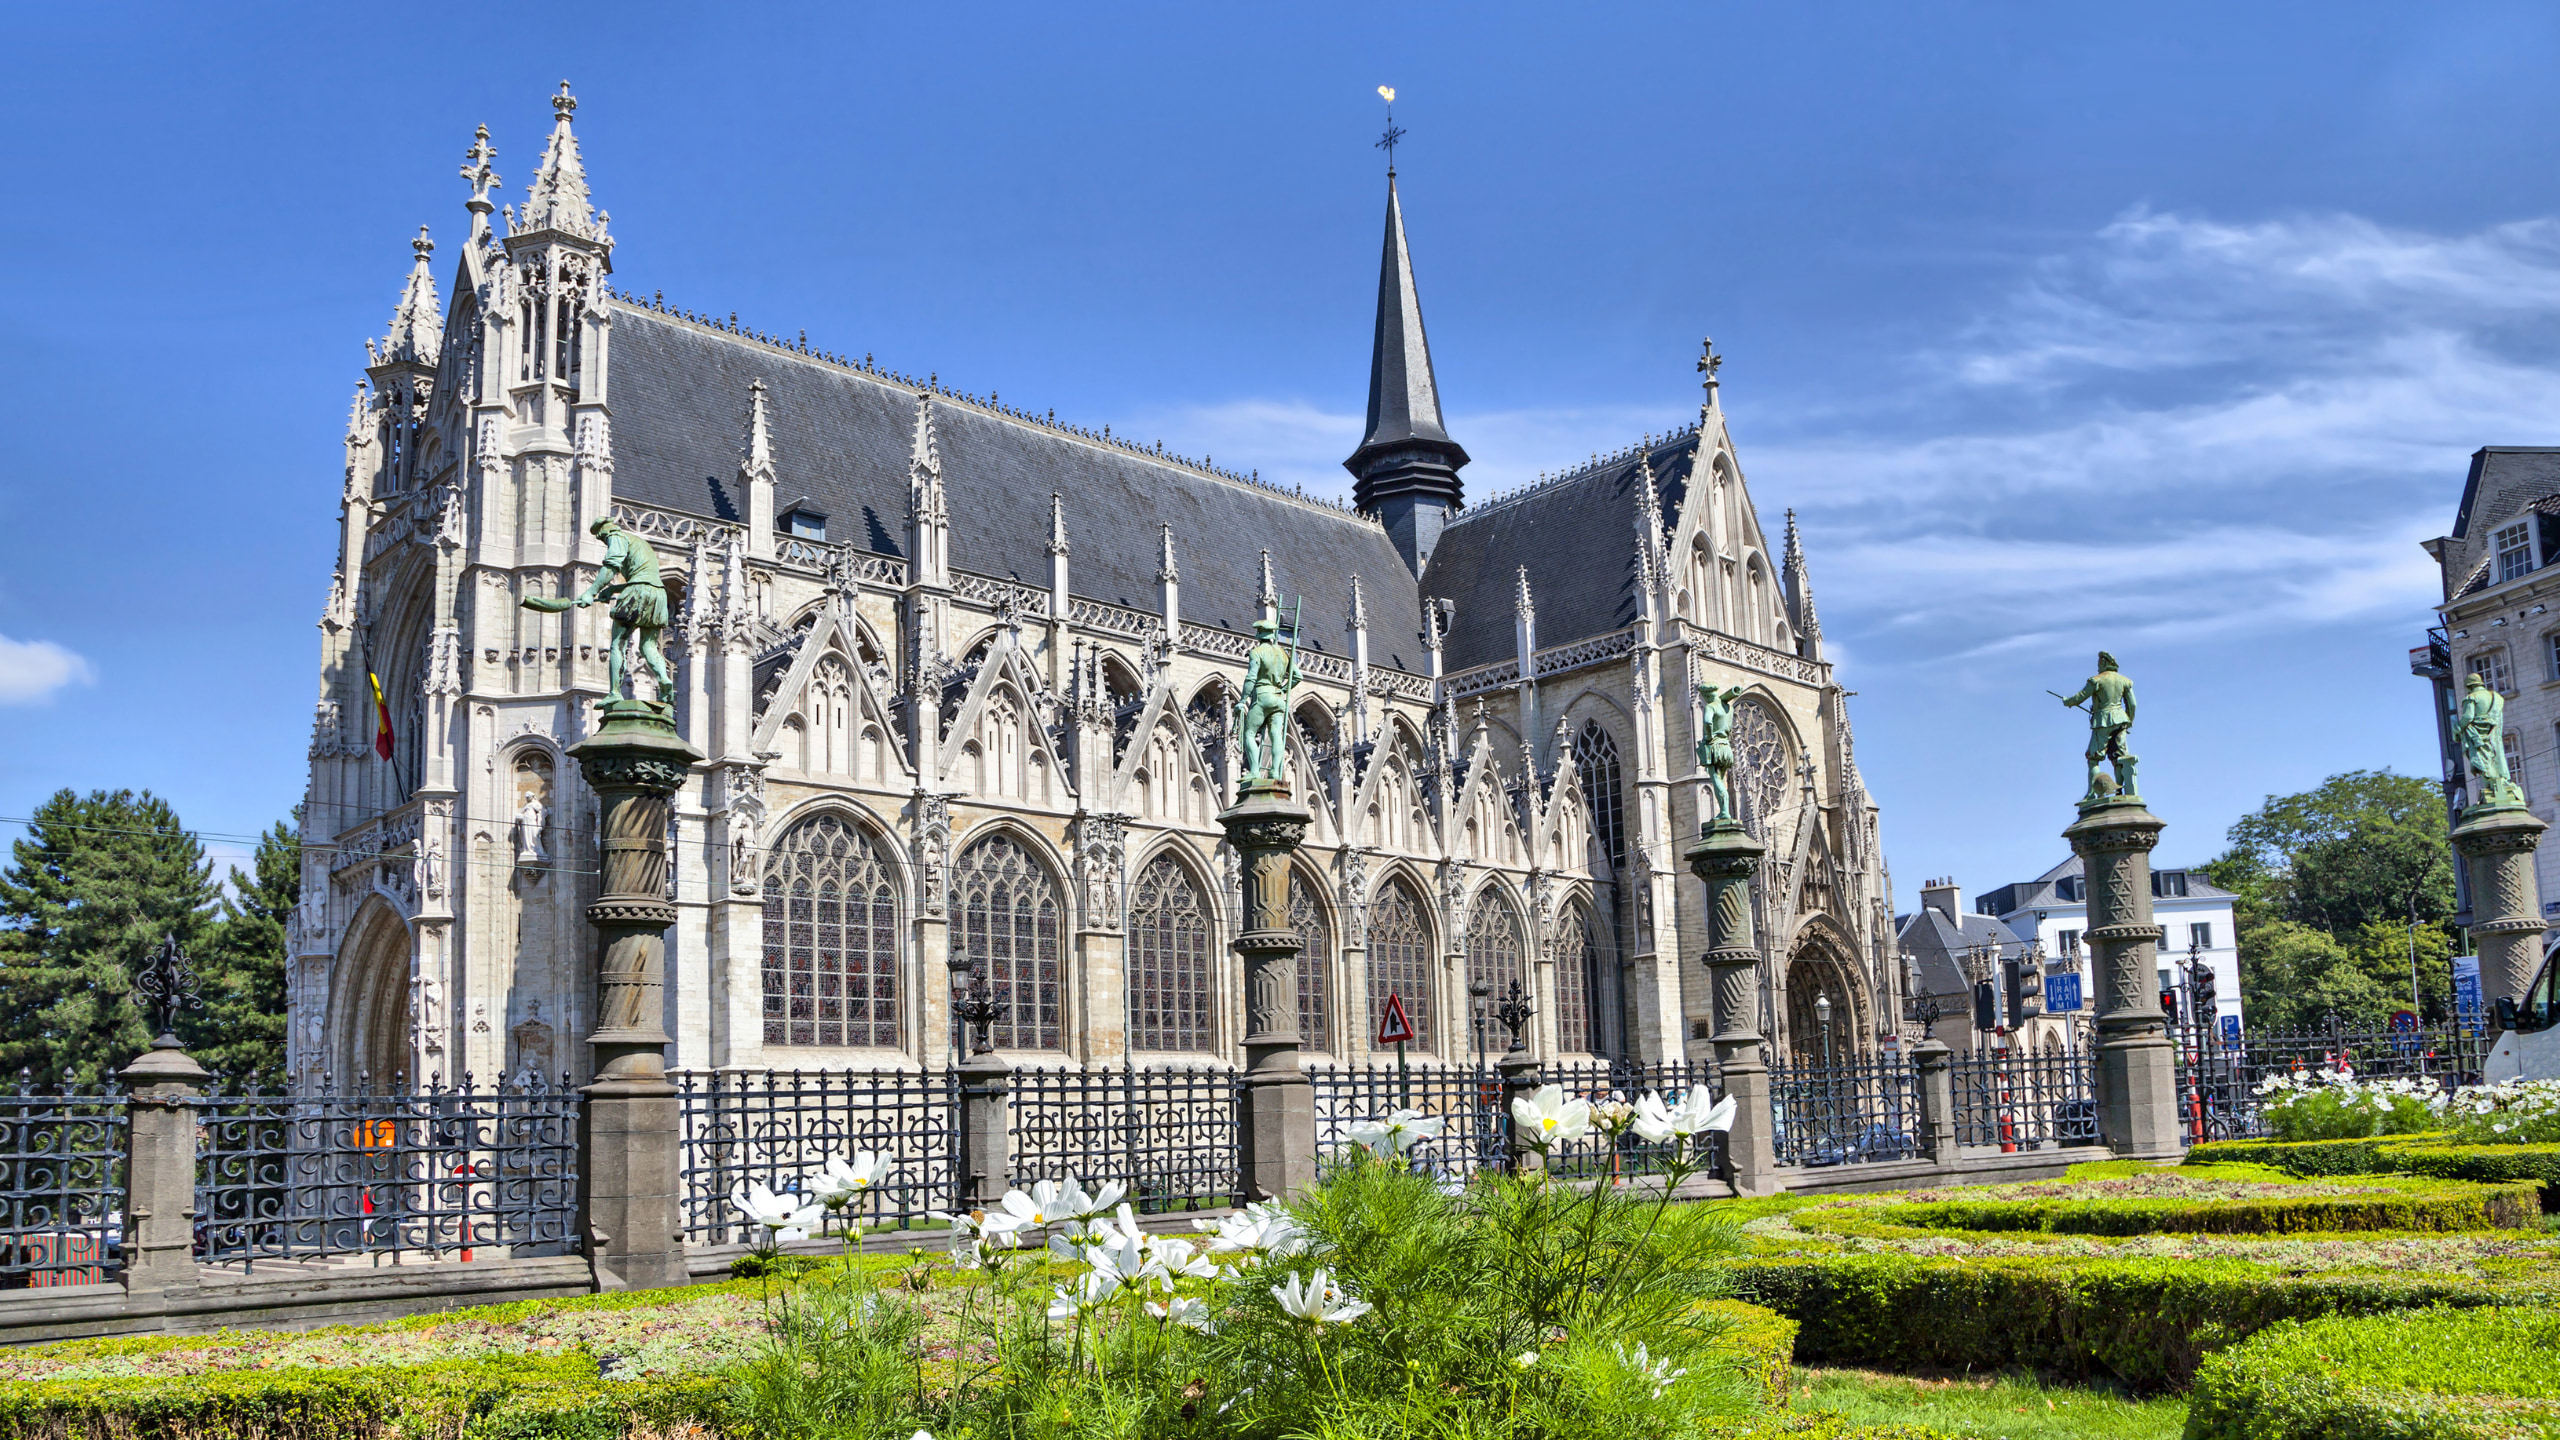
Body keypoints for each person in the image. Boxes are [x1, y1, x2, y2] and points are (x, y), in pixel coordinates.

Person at [573, 517, 672, 703]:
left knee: (618, 644)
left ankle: (614, 693)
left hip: (637, 591)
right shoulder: (640, 542)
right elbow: (643, 575)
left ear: (605, 532)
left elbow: (611, 567)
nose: (604, 542)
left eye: (602, 539)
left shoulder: (616, 537)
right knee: (648, 645)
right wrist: (611, 589)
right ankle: (664, 679)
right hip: (658, 594)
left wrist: (590, 592)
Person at [2061, 652, 2138, 801]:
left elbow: (2080, 697)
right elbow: (2132, 705)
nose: (2097, 666)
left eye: (2099, 663)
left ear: (2103, 663)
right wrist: (2129, 722)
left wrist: (2067, 701)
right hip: (2121, 719)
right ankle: (2119, 792)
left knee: (2093, 757)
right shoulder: (2125, 681)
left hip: (2103, 721)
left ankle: (2091, 793)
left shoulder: (2097, 680)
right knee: (2119, 758)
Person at [1237, 617, 1299, 785]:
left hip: (1262, 696)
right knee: (1276, 736)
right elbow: (1298, 677)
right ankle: (1275, 772)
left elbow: (1251, 678)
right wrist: (1283, 689)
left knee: (1249, 733)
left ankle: (1255, 771)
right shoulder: (1284, 654)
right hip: (1279, 699)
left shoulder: (1257, 652)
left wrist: (1242, 700)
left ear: (1259, 634)